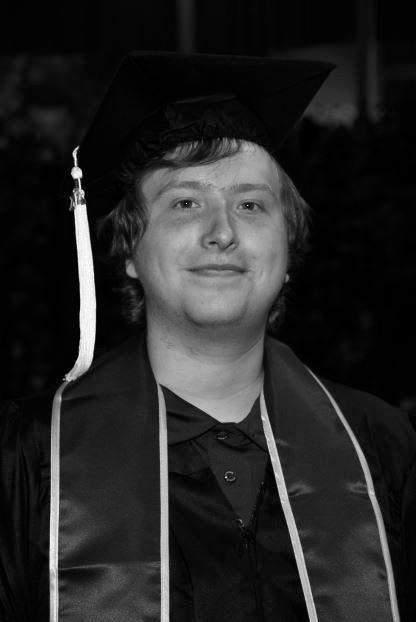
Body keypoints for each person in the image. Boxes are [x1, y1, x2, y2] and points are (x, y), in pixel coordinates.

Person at [1, 52, 415, 622]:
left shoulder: (382, 448)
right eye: (186, 203)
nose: (222, 232)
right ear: (129, 254)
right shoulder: (28, 458)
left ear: (288, 253)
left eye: (250, 204)